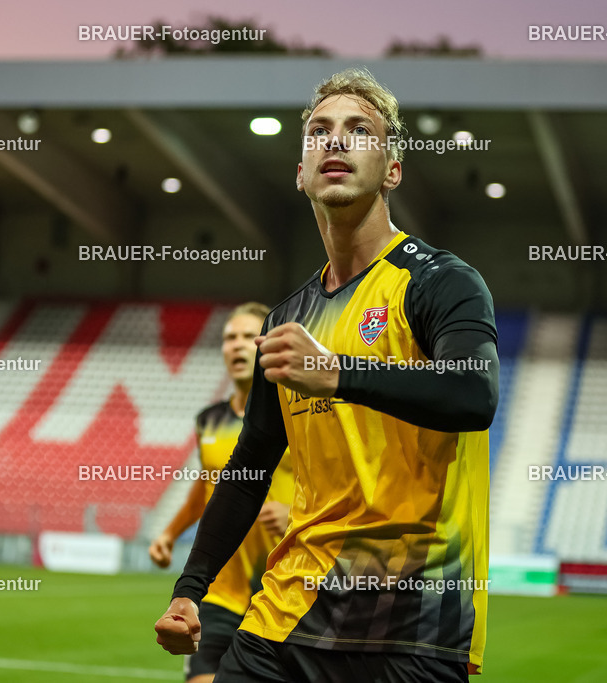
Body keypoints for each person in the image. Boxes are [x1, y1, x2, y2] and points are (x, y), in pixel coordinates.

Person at [155, 67, 499, 681]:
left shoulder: (441, 281)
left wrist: (339, 373)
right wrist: (191, 588)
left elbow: (474, 394)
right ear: (300, 172)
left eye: (358, 130)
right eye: (319, 131)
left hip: (410, 620)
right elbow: (250, 463)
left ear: (392, 169)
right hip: (288, 608)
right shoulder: (287, 318)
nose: (335, 141)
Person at [149, 302, 294, 683]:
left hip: (283, 591)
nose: (237, 345)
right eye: (230, 338)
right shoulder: (208, 420)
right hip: (221, 594)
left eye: (249, 336)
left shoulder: (300, 414)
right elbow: (208, 491)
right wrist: (169, 533)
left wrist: (294, 512)